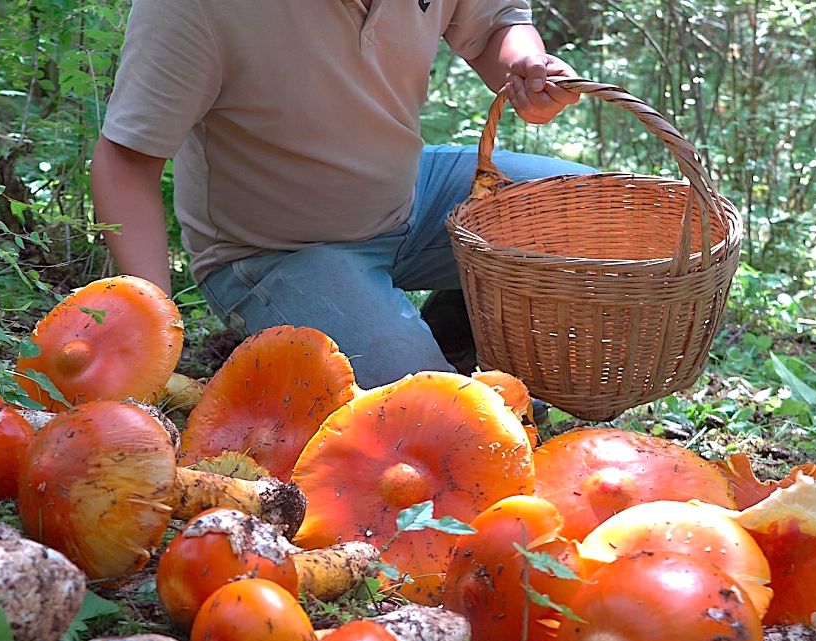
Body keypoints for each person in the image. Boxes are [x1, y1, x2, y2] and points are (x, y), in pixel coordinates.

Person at [90, 0, 595, 389]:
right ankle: (401, 352)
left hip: (409, 192)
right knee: (427, 414)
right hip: (276, 251)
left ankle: (453, 337)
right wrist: (151, 322)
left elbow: (494, 25)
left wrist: (524, 64)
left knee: (590, 221)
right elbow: (127, 159)